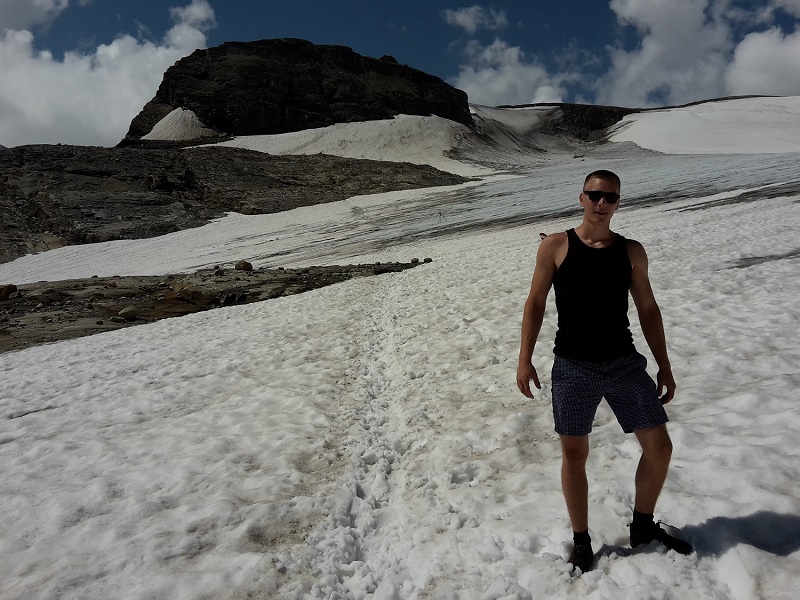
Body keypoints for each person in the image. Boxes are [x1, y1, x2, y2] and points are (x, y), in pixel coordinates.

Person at [516, 169, 692, 574]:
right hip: (573, 365)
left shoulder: (631, 251)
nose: (601, 203)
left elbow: (648, 309)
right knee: (574, 454)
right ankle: (581, 541)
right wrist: (525, 358)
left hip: (623, 363)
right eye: (595, 195)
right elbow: (535, 302)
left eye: (610, 197)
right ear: (581, 198)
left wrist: (664, 365)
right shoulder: (556, 246)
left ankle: (643, 526)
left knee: (659, 448)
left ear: (618, 203)